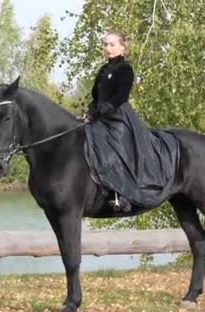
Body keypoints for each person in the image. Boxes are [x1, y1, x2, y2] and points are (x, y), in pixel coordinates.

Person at [83, 30, 180, 212]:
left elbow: (120, 96)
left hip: (119, 117)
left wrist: (101, 112)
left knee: (116, 149)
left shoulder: (125, 69)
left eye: (112, 44)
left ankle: (122, 195)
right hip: (101, 116)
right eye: (105, 44)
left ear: (122, 47)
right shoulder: (104, 69)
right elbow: (96, 96)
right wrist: (90, 112)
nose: (108, 48)